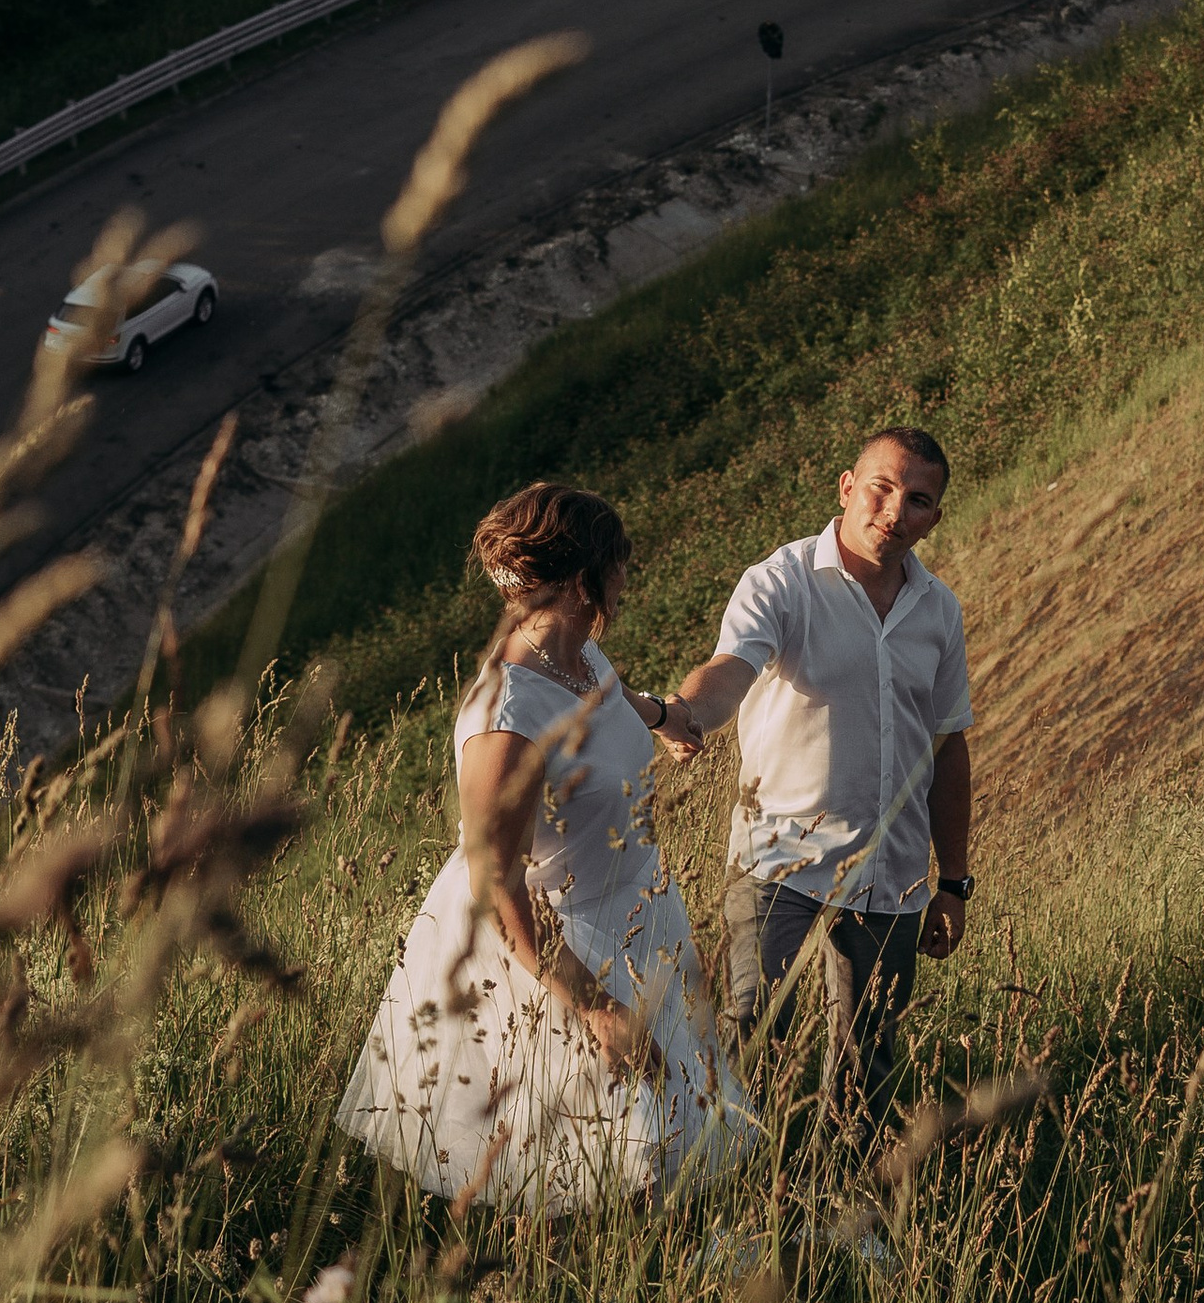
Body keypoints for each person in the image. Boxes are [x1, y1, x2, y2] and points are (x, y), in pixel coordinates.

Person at [337, 482, 757, 1212]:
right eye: (617, 565)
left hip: (639, 914)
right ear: (576, 581)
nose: (626, 578)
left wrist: (665, 717)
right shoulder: (506, 715)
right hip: (562, 948)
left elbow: (609, 696)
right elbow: (492, 884)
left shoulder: (577, 652)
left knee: (671, 1130)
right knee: (593, 1160)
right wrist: (594, 1007)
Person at [660, 428, 974, 1144]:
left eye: (918, 500)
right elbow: (729, 670)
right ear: (846, 487)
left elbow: (949, 747)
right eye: (881, 489)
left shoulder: (938, 611)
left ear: (934, 516)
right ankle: (728, 1201)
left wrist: (953, 882)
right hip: (781, 863)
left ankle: (848, 1217)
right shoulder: (780, 581)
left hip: (891, 876)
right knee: (750, 1034)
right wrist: (688, 715)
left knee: (870, 1062)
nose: (894, 512)